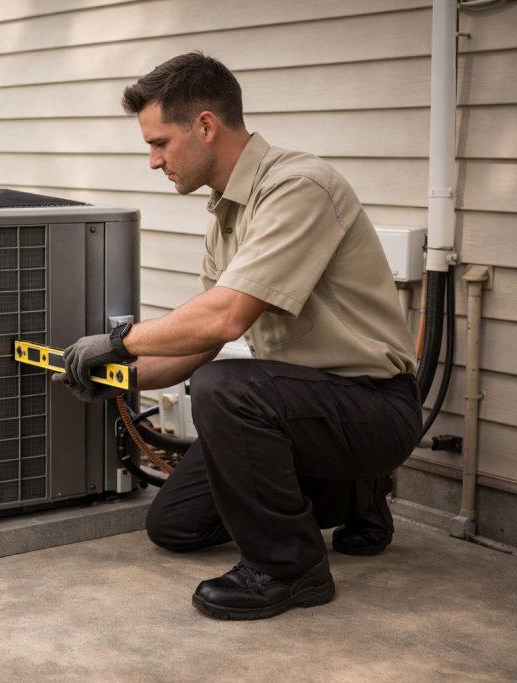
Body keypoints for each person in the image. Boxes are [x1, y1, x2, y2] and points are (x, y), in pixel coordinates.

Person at [55, 52, 422, 620]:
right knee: (174, 525)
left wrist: (118, 341)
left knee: (223, 386)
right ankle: (356, 495)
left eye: (159, 143)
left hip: (371, 406)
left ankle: (289, 568)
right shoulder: (226, 216)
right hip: (301, 407)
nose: (153, 161)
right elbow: (196, 341)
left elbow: (224, 319)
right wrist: (116, 377)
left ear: (204, 125)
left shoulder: (299, 187)